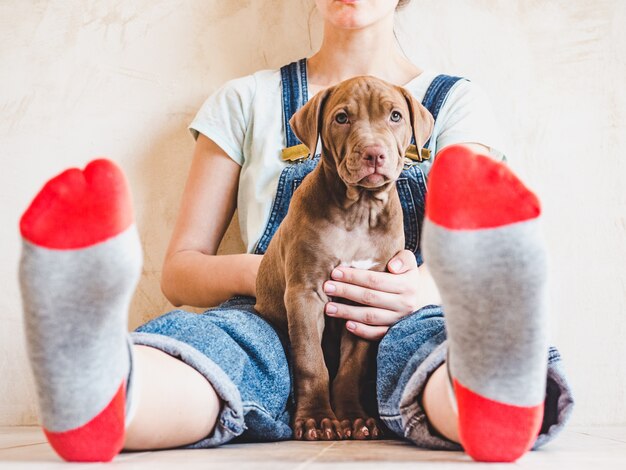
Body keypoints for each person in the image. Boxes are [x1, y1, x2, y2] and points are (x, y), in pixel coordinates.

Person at [18, 0, 573, 463]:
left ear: (410, 126)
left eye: (390, 123)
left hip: (400, 316)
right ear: (319, 129)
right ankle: (103, 392)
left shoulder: (452, 102)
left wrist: (420, 288)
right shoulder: (245, 100)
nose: (371, 140)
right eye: (345, 121)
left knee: (428, 343)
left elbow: (473, 231)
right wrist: (289, 271)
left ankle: (488, 394)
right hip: (271, 315)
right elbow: (182, 270)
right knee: (222, 348)